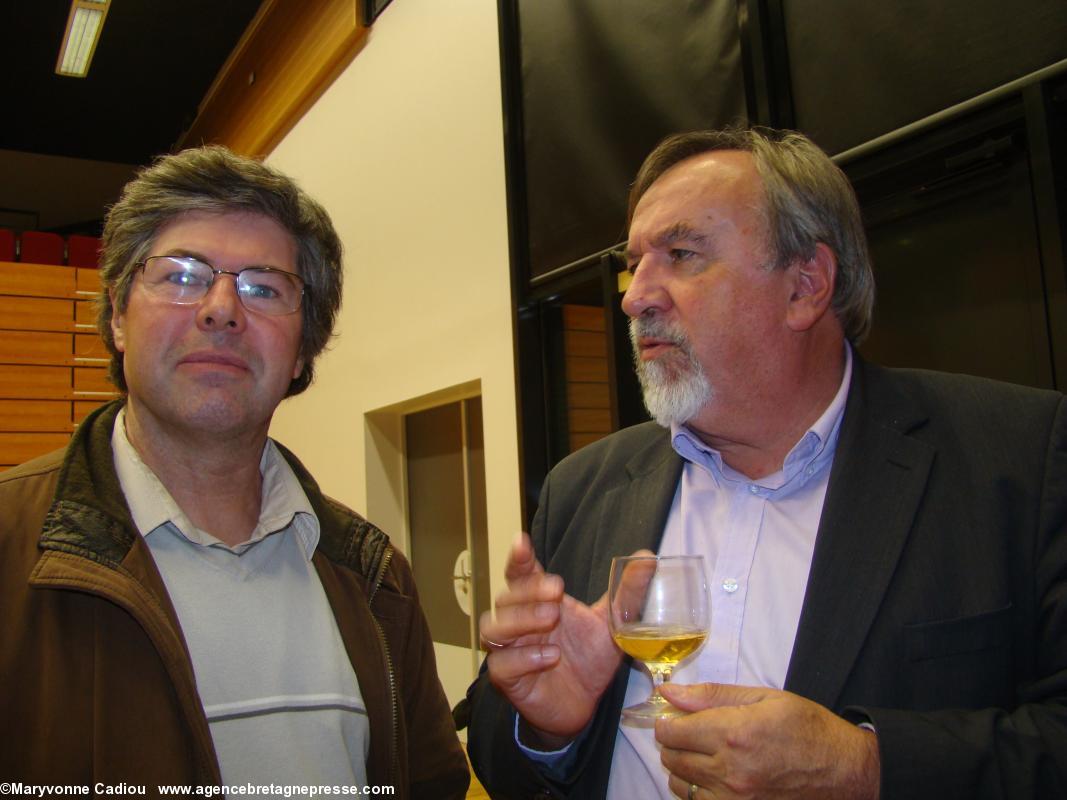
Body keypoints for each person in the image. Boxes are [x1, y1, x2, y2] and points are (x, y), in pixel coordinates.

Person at [466, 127, 1067, 799]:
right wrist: (548, 731)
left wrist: (863, 765)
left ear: (805, 286)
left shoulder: (1017, 457)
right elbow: (494, 754)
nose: (635, 295)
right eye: (635, 264)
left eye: (682, 254)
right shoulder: (582, 486)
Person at [0, 145, 469, 799]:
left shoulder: (372, 576)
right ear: (115, 315)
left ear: (303, 350)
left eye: (262, 287)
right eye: (182, 275)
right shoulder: (11, 543)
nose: (221, 308)